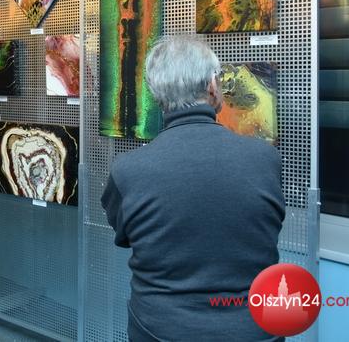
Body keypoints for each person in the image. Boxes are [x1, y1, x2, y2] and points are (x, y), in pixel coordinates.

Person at [100, 35, 285, 341]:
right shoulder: (266, 159)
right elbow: (268, 227)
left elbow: (125, 236)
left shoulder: (127, 171)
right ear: (213, 86)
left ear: (156, 95)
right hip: (257, 328)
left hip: (159, 330)